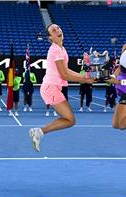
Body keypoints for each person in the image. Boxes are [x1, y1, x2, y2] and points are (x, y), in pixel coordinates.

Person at [29, 23, 95, 151]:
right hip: (50, 88)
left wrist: (85, 77)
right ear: (50, 38)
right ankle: (39, 131)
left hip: (53, 88)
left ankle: (39, 132)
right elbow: (64, 75)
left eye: (58, 27)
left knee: (70, 120)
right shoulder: (55, 50)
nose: (58, 30)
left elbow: (67, 70)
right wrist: (85, 80)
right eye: (53, 30)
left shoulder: (61, 49)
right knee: (70, 120)